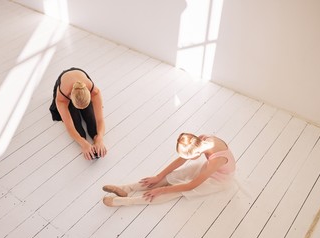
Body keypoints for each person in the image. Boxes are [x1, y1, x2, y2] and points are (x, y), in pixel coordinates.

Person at [102, 133, 236, 206]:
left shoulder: (217, 160)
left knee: (176, 190)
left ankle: (127, 202)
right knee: (172, 176)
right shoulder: (201, 140)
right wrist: (159, 176)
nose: (185, 159)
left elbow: (191, 185)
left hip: (218, 179)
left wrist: (162, 189)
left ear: (196, 154)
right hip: (208, 168)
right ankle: (126, 189)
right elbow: (182, 160)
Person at [49, 67, 106, 160]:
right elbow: (70, 127)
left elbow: (100, 119)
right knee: (77, 128)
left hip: (81, 85)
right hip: (66, 88)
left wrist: (99, 138)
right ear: (70, 97)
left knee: (92, 120)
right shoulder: (62, 98)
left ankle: (95, 137)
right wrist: (83, 143)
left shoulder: (94, 91)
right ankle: (83, 139)